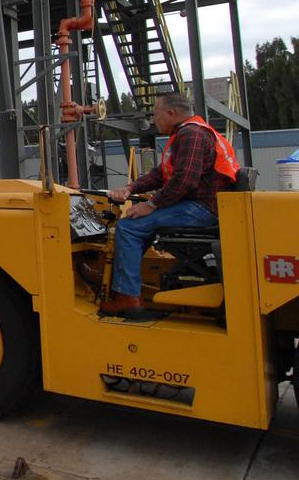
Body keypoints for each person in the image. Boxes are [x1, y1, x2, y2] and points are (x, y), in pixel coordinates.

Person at [96, 92, 238, 317]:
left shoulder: (191, 135)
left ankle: (127, 297)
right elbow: (161, 175)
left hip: (203, 209)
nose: (154, 120)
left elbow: (185, 180)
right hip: (204, 206)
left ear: (172, 113)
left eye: (156, 114)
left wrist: (151, 205)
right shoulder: (191, 132)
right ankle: (118, 279)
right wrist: (130, 188)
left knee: (129, 227)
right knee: (140, 223)